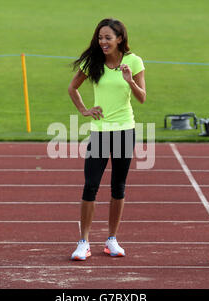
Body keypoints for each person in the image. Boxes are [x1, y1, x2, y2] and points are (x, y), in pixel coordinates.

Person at [68, 18, 146, 260]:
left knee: (118, 186)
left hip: (125, 130)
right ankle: (84, 242)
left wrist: (129, 80)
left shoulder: (134, 61)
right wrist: (84, 110)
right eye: (100, 38)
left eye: (107, 38)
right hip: (100, 132)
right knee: (90, 185)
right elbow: (72, 88)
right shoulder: (93, 62)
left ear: (120, 38)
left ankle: (112, 239)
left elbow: (142, 97)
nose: (103, 42)